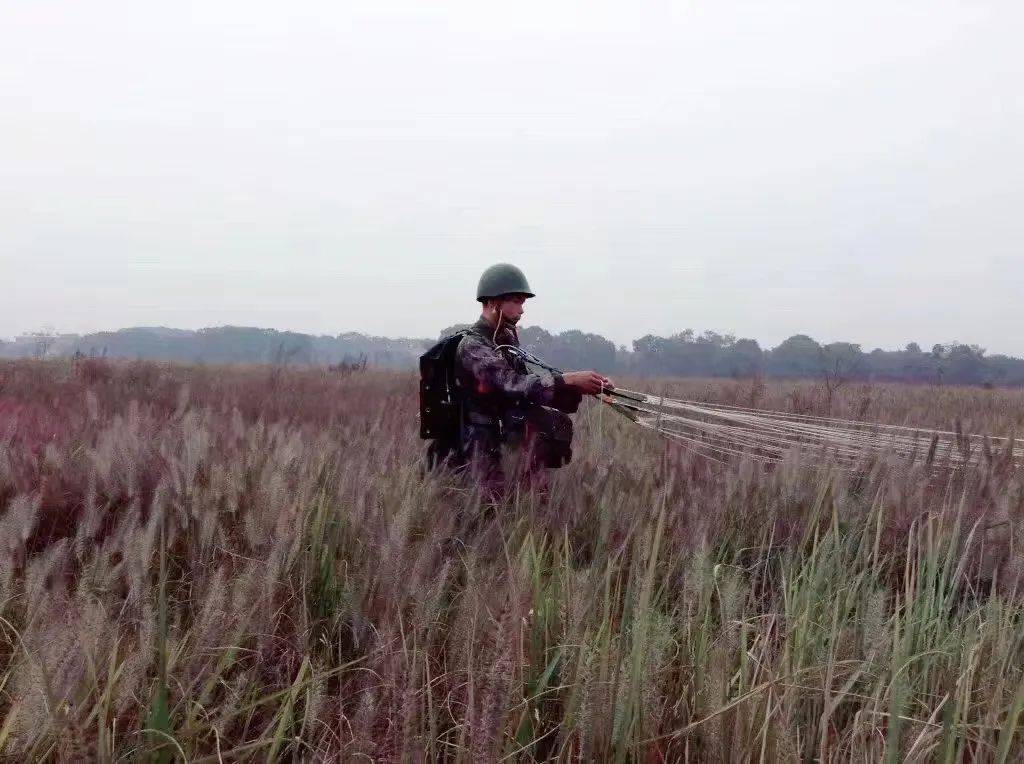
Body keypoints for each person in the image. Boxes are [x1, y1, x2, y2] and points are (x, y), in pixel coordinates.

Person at [439, 263, 614, 497]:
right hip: (480, 442)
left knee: (533, 500)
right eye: (516, 301)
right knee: (489, 510)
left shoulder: (505, 337)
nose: (522, 310)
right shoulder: (473, 346)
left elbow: (528, 385)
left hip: (510, 434)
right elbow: (513, 384)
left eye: (523, 302)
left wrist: (583, 386)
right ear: (493, 302)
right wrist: (569, 380)